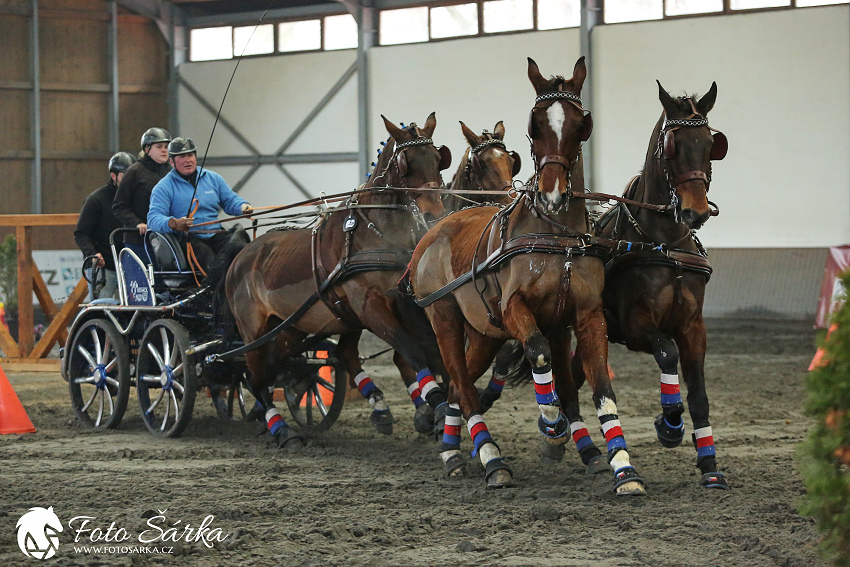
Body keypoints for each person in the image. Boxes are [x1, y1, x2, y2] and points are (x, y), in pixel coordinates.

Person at [147, 137, 253, 272]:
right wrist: (174, 223)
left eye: (190, 155)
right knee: (209, 261)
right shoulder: (163, 187)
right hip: (187, 239)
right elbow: (153, 218)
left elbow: (230, 200)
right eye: (182, 156)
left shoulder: (213, 178)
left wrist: (243, 207)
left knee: (241, 251)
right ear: (171, 162)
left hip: (215, 234)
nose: (188, 160)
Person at [74, 151, 136, 300]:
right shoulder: (96, 200)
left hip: (130, 267)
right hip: (103, 266)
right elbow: (81, 233)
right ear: (113, 176)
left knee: (136, 311)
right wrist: (92, 254)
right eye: (125, 174)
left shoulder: (136, 199)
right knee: (102, 309)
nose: (130, 179)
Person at [112, 127, 172, 262]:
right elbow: (119, 206)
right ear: (147, 150)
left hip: (167, 240)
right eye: (159, 146)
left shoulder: (171, 172)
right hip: (138, 241)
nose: (164, 150)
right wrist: (136, 223)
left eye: (167, 146)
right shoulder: (134, 171)